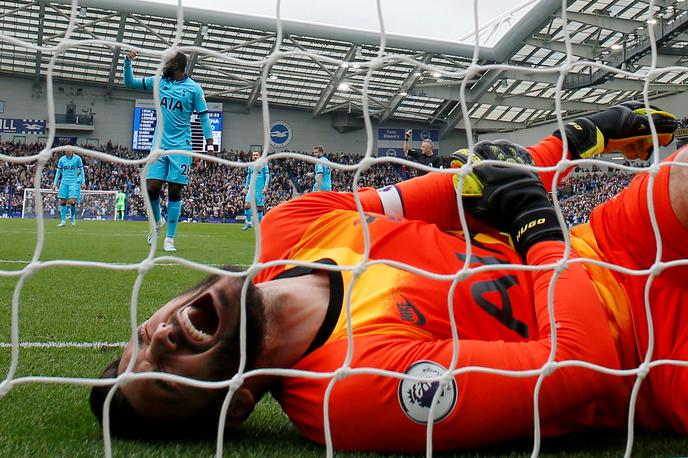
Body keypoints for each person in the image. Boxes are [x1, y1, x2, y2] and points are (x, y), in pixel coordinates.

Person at [90, 102, 687, 452]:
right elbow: (581, 364)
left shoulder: (293, 224)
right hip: (651, 357)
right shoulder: (343, 396)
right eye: (165, 379)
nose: (160, 342)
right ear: (240, 404)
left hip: (611, 242)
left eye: (140, 342)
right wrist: (539, 231)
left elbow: (474, 187)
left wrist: (580, 137)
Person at [123, 50, 214, 252]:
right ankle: (157, 222)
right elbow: (130, 83)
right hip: (159, 145)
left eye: (167, 63)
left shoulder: (194, 89)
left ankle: (170, 239)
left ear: (176, 66)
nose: (163, 65)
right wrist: (127, 61)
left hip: (182, 146)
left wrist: (209, 146)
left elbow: (204, 117)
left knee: (175, 190)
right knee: (151, 188)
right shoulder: (159, 82)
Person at [51, 147, 85, 227]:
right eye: (66, 150)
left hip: (74, 182)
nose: (68, 151)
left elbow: (82, 171)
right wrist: (54, 183)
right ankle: (63, 221)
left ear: (72, 150)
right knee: (63, 201)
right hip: (64, 182)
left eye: (69, 150)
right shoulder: (62, 159)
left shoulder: (77, 159)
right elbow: (58, 172)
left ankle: (72, 216)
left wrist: (83, 182)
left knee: (72, 201)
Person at [242, 151, 270, 230]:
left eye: (256, 155)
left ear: (259, 156)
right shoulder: (250, 165)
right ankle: (249, 223)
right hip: (251, 189)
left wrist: (265, 187)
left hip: (260, 190)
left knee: (259, 208)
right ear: (252, 157)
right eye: (254, 155)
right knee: (246, 206)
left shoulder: (264, 165)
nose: (255, 156)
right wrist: (245, 187)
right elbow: (248, 177)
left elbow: (267, 176)